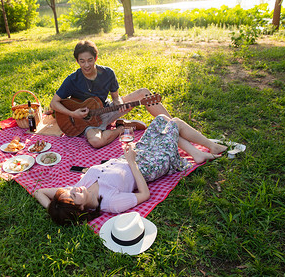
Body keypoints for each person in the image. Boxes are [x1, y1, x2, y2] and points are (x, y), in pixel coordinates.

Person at [34, 114, 228, 225]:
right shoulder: (110, 202)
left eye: (69, 192)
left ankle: (196, 154)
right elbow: (144, 194)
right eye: (73, 197)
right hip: (149, 166)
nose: (74, 190)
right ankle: (211, 146)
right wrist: (132, 162)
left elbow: (39, 191)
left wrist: (57, 209)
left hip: (136, 154)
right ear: (82, 209)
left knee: (161, 120)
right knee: (174, 123)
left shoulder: (78, 187)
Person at [50, 40, 171, 148]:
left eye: (90, 60)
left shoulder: (108, 73)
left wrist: (119, 105)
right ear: (77, 61)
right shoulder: (72, 79)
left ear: (96, 58)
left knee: (144, 93)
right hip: (87, 123)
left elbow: (116, 97)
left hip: (106, 110)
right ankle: (122, 128)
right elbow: (53, 103)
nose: (86, 65)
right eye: (82, 61)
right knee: (96, 142)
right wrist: (73, 114)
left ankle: (173, 126)